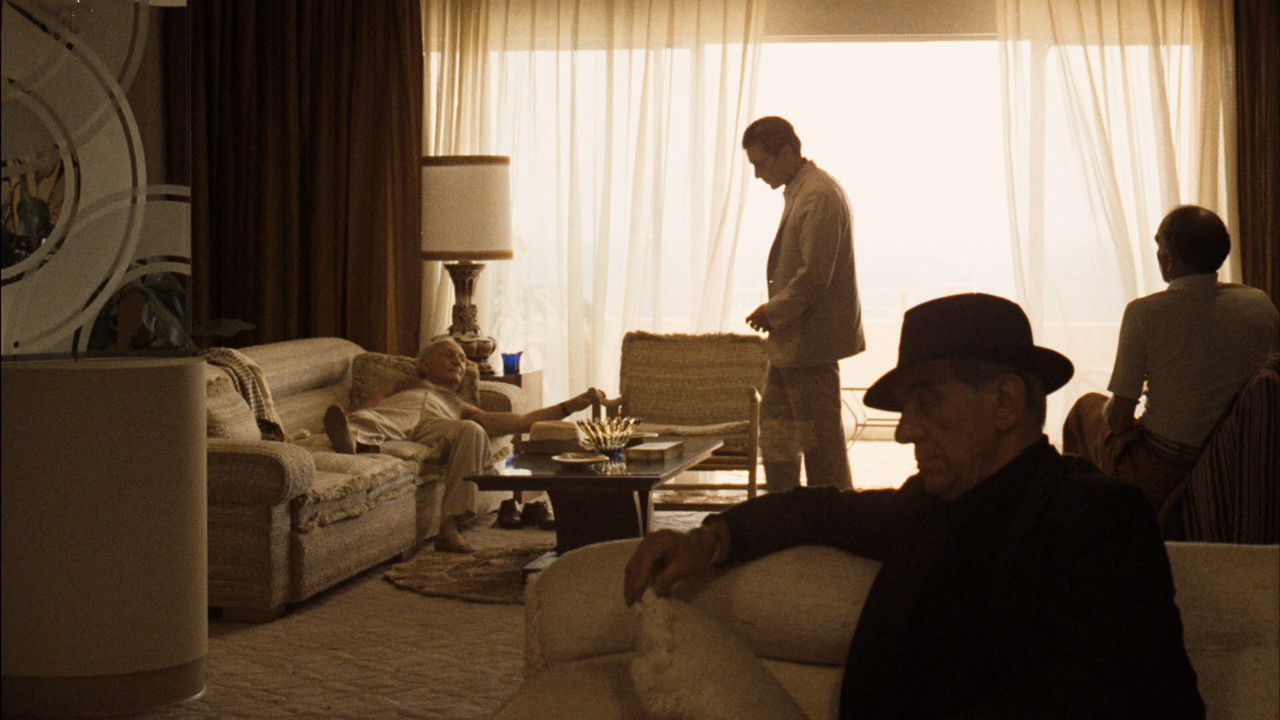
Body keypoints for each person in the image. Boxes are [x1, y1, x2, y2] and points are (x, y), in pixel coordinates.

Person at [624, 293, 1204, 719]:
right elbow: (819, 511)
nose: (905, 432)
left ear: (1005, 401)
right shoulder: (929, 505)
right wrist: (709, 538)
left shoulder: (1097, 516)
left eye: (927, 402)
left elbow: (1107, 698)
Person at [1063, 205, 1279, 515]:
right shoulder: (1259, 304)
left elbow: (1118, 419)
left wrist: (1117, 412)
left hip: (1164, 467)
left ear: (1169, 258)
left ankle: (1084, 523)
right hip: (1234, 456)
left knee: (1085, 410)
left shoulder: (1145, 313)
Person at [323, 338, 597, 553]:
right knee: (369, 421)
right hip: (396, 414)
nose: (458, 361)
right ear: (425, 365)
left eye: (463, 359)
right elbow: (366, 409)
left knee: (471, 430)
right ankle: (354, 440)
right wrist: (348, 421)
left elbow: (521, 422)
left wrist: (568, 406)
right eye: (449, 355)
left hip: (437, 425)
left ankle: (449, 528)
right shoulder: (403, 385)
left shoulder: (460, 405)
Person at [741, 116, 864, 492]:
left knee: (821, 451)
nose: (758, 174)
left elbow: (814, 276)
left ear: (786, 152)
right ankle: (785, 512)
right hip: (793, 344)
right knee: (777, 440)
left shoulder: (818, 195)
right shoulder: (804, 191)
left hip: (810, 345)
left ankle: (833, 520)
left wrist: (771, 312)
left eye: (762, 163)